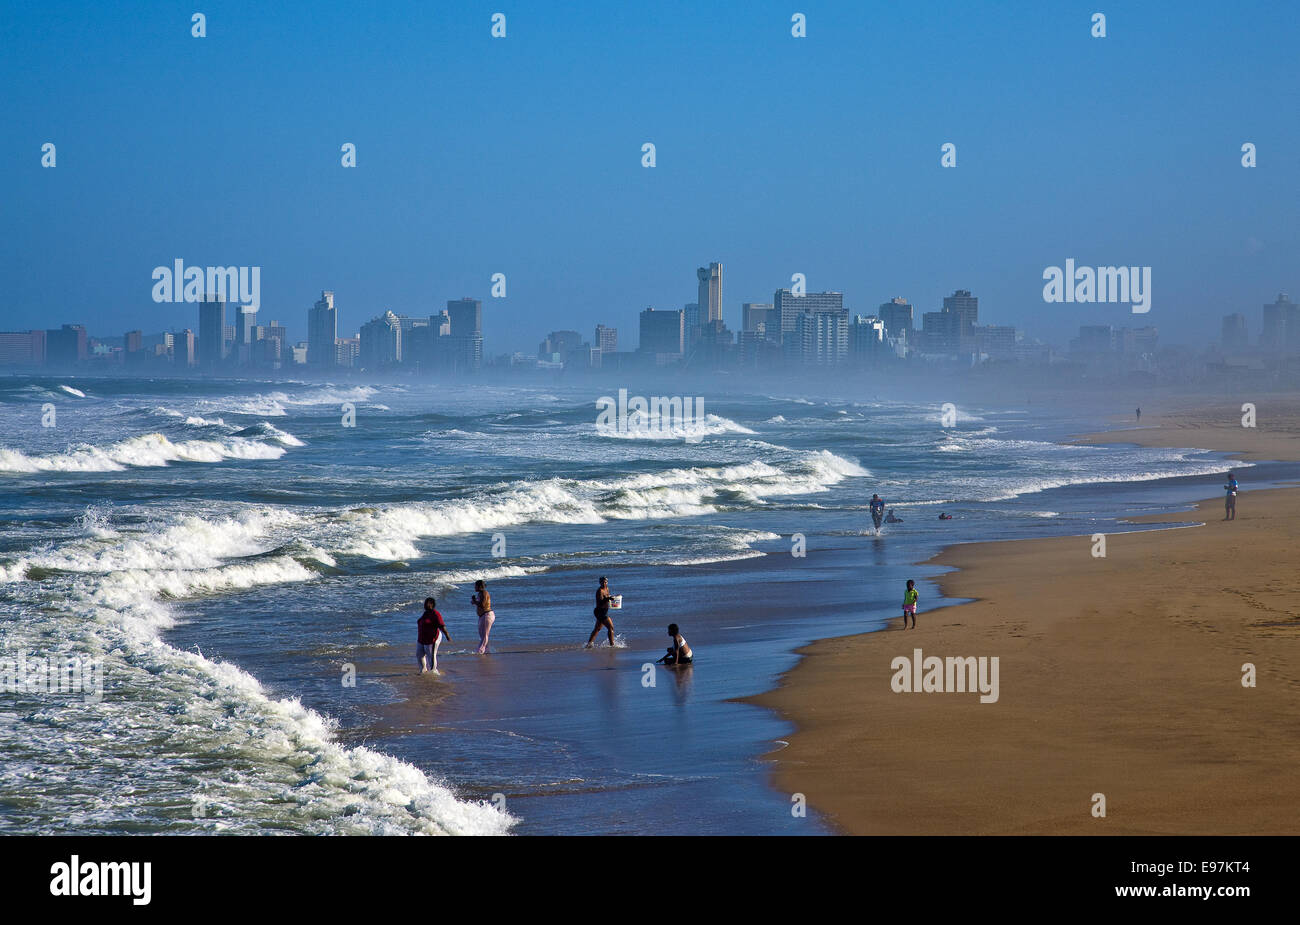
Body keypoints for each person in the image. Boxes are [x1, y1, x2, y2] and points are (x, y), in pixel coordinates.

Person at [417, 598, 450, 674]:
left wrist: (447, 635)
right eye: (425, 603)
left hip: (432, 638)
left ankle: (433, 672)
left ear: (431, 604)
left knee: (431, 655)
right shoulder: (426, 613)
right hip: (421, 638)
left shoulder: (435, 614)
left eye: (426, 603)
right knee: (419, 654)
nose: (424, 605)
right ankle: (423, 670)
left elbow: (442, 625)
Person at [585, 577, 616, 648]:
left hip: (604, 611)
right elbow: (600, 603)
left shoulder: (607, 588)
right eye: (602, 582)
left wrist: (612, 598)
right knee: (611, 627)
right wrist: (608, 599)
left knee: (597, 629)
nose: (604, 583)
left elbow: (607, 597)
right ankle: (612, 645)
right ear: (600, 583)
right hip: (600, 612)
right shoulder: (599, 591)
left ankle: (589, 645)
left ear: (607, 582)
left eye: (605, 582)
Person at [471, 580, 495, 654]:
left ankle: (480, 651)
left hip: (487, 615)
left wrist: (475, 602)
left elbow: (483, 605)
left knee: (484, 635)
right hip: (483, 616)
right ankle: (487, 650)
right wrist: (474, 601)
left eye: (475, 586)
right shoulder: (480, 593)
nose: (474, 587)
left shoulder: (484, 593)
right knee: (483, 636)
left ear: (480, 586)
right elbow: (480, 603)